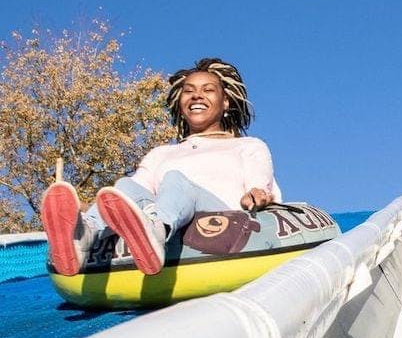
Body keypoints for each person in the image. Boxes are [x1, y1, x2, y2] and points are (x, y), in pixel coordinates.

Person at [41, 57, 282, 277]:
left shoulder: (248, 146)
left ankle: (157, 232)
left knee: (175, 179)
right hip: (171, 219)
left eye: (208, 90)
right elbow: (131, 195)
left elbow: (258, 185)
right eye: (189, 91)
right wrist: (81, 208)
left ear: (226, 101)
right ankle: (83, 236)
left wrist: (257, 194)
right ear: (180, 103)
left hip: (224, 225)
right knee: (125, 184)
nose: (197, 96)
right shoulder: (161, 154)